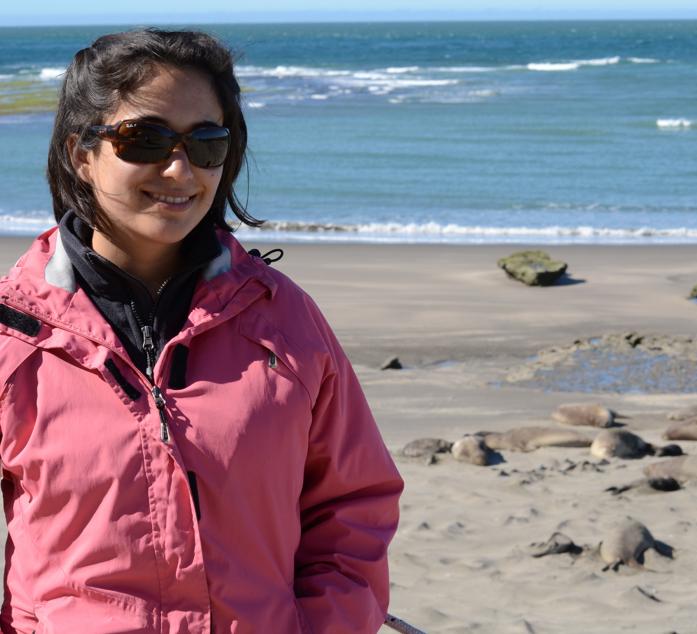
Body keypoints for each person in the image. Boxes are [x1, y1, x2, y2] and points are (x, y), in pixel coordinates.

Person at [0, 29, 403, 633]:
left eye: (206, 143)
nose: (179, 169)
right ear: (81, 153)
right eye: (146, 139)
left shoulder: (283, 319)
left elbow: (353, 508)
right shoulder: (14, 334)